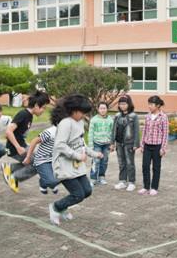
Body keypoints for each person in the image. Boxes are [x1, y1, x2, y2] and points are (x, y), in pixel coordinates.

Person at [48, 95, 103, 225]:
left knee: (87, 191)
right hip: (64, 166)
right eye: (82, 112)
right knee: (78, 194)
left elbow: (81, 144)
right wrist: (77, 156)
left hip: (76, 166)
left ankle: (62, 207)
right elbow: (60, 145)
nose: (84, 115)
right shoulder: (66, 123)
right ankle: (56, 207)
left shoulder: (79, 122)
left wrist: (94, 154)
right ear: (74, 110)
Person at [1, 90, 51, 193]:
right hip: (15, 148)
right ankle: (14, 177)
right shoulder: (23, 114)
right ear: (37, 105)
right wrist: (18, 147)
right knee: (38, 164)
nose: (43, 111)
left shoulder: (29, 115)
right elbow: (8, 131)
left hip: (21, 145)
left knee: (37, 159)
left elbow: (19, 134)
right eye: (43, 108)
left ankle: (10, 168)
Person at [22, 114, 61, 195]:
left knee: (69, 175)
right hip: (42, 160)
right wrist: (28, 157)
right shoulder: (50, 132)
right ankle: (46, 181)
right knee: (53, 181)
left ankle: (45, 180)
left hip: (56, 159)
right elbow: (34, 141)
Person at [139, 96, 169, 196]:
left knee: (156, 167)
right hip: (147, 145)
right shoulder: (147, 116)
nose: (149, 106)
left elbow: (165, 133)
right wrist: (142, 144)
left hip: (157, 146)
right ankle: (146, 187)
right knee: (145, 166)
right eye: (149, 104)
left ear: (158, 105)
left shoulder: (163, 117)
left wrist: (163, 147)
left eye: (151, 104)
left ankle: (154, 187)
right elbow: (144, 130)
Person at [112, 95, 140, 192]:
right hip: (119, 143)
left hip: (129, 143)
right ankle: (122, 181)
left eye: (124, 104)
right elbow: (113, 130)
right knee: (121, 163)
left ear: (129, 104)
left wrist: (136, 144)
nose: (122, 106)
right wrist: (112, 142)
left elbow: (136, 131)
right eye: (120, 104)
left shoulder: (134, 116)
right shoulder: (117, 116)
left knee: (130, 163)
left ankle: (131, 182)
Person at [88, 102, 114, 186]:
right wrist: (90, 145)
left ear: (107, 109)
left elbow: (113, 132)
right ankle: (93, 178)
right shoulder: (94, 119)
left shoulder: (110, 119)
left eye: (104, 108)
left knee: (104, 161)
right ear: (98, 109)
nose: (102, 110)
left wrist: (112, 144)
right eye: (101, 108)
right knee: (96, 161)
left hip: (107, 144)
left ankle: (101, 177)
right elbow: (90, 133)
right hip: (97, 144)